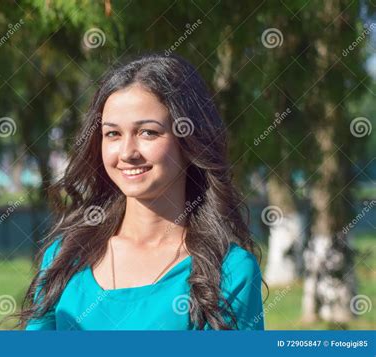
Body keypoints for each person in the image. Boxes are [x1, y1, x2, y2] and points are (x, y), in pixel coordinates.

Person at [18, 53, 265, 330]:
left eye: (148, 132)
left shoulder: (229, 272)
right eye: (112, 134)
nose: (127, 152)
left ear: (189, 140)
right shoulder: (64, 257)